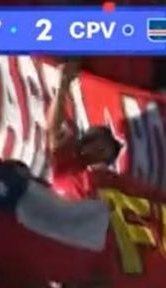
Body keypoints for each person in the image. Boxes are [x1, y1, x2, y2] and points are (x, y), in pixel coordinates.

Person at [46, 61, 122, 201]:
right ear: (89, 139)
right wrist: (62, 86)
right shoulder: (66, 159)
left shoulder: (101, 183)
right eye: (99, 148)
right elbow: (53, 129)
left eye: (102, 154)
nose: (96, 154)